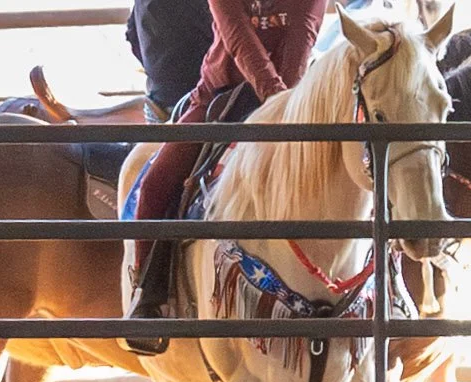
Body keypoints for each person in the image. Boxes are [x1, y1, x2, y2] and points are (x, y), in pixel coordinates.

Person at [124, 0, 330, 354]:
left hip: (295, 99)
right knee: (158, 182)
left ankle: (385, 288)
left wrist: (285, 104)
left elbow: (303, 35)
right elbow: (236, 36)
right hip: (222, 95)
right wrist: (274, 96)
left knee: (360, 165)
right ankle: (150, 296)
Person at [126, 0, 218, 122]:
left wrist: (158, 71)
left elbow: (132, 35)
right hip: (200, 101)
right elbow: (222, 40)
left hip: (158, 101)